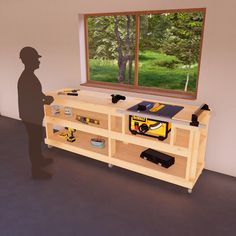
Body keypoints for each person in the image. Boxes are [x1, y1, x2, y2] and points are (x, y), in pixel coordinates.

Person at [17, 46, 54, 180]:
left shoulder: (29, 76)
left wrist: (44, 97)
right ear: (29, 60)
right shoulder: (27, 78)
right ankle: (36, 172)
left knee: (36, 139)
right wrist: (46, 101)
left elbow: (36, 94)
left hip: (31, 115)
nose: (39, 62)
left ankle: (39, 160)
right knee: (34, 141)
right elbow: (31, 100)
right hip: (30, 116)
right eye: (36, 59)